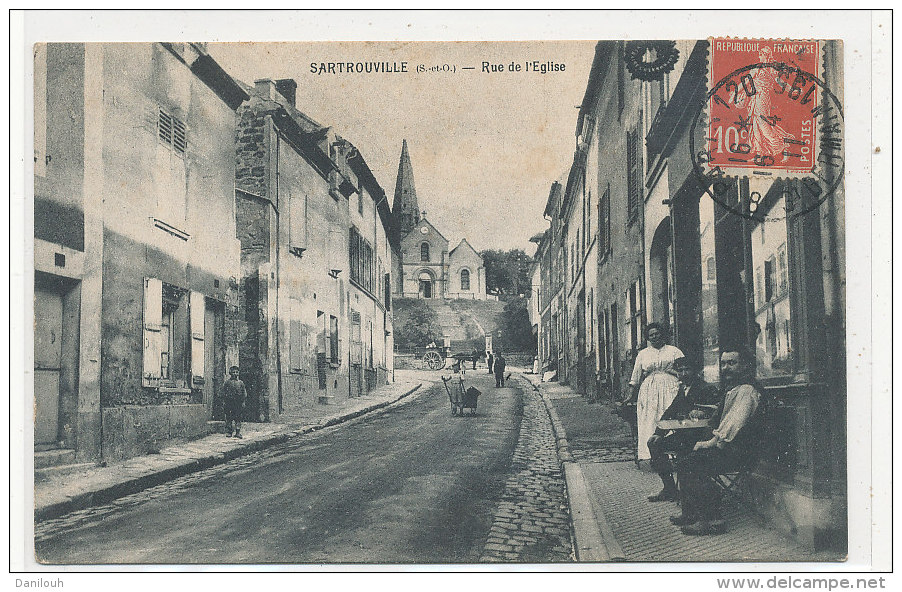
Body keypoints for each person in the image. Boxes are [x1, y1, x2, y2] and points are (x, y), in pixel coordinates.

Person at [671, 349, 764, 536]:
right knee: (685, 460)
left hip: (740, 451)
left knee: (691, 463)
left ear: (744, 365)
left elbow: (733, 424)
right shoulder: (734, 388)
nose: (726, 368)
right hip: (730, 447)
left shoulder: (746, 390)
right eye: (723, 363)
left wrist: (710, 442)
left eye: (732, 363)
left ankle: (713, 519)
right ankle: (692, 513)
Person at [646, 357, 721, 502]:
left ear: (696, 371)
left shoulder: (706, 388)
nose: (684, 373)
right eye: (680, 370)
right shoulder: (683, 389)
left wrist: (703, 412)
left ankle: (690, 496)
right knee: (653, 443)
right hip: (684, 437)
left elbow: (717, 412)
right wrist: (658, 433)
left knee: (684, 456)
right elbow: (670, 411)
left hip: (700, 437)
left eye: (687, 369)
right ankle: (669, 488)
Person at [627, 323, 684, 462]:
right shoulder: (643, 354)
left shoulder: (674, 351)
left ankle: (672, 453)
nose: (654, 337)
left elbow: (684, 370)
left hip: (671, 387)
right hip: (649, 390)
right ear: (648, 337)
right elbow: (635, 377)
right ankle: (652, 453)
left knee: (668, 414)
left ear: (662, 334)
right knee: (650, 418)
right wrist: (630, 395)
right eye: (651, 335)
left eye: (657, 334)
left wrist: (674, 372)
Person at [222, 365, 248, 439]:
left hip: (238, 403)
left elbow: (244, 393)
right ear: (230, 373)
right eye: (233, 372)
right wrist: (224, 401)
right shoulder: (227, 383)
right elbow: (223, 392)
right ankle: (229, 432)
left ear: (238, 373)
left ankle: (238, 432)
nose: (235, 374)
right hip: (229, 402)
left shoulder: (241, 383)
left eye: (236, 372)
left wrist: (243, 402)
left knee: (238, 418)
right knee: (229, 418)